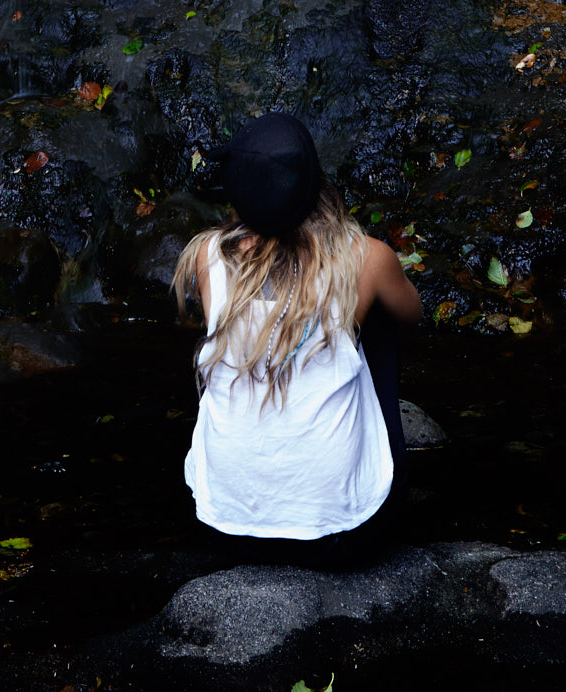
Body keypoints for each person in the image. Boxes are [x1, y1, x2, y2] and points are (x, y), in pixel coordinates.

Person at [172, 112, 424, 553]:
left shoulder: (209, 256)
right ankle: (369, 463)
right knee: (379, 318)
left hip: (225, 528)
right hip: (342, 535)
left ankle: (254, 465)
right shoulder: (364, 257)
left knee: (234, 338)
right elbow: (413, 314)